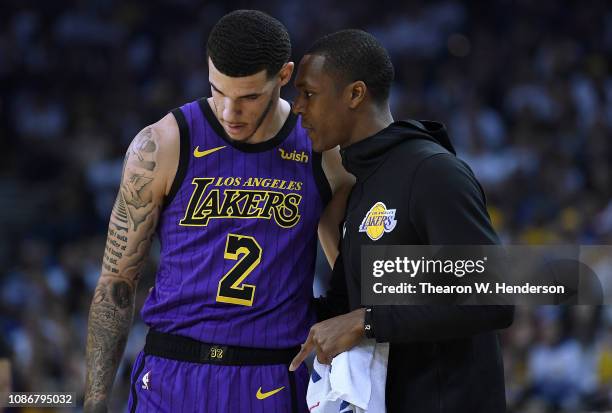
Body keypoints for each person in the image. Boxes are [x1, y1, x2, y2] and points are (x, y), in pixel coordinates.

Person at [84, 10, 352, 413]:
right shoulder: (162, 144)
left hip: (271, 374)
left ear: (284, 76)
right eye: (218, 91)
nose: (229, 112)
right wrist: (95, 400)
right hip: (170, 371)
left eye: (247, 97)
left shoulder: (323, 151)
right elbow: (117, 282)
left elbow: (347, 276)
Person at [290, 29, 514, 412]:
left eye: (309, 94)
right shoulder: (362, 185)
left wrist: (367, 322)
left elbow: (491, 300)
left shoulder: (432, 171)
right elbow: (346, 305)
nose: (297, 107)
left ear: (355, 94)